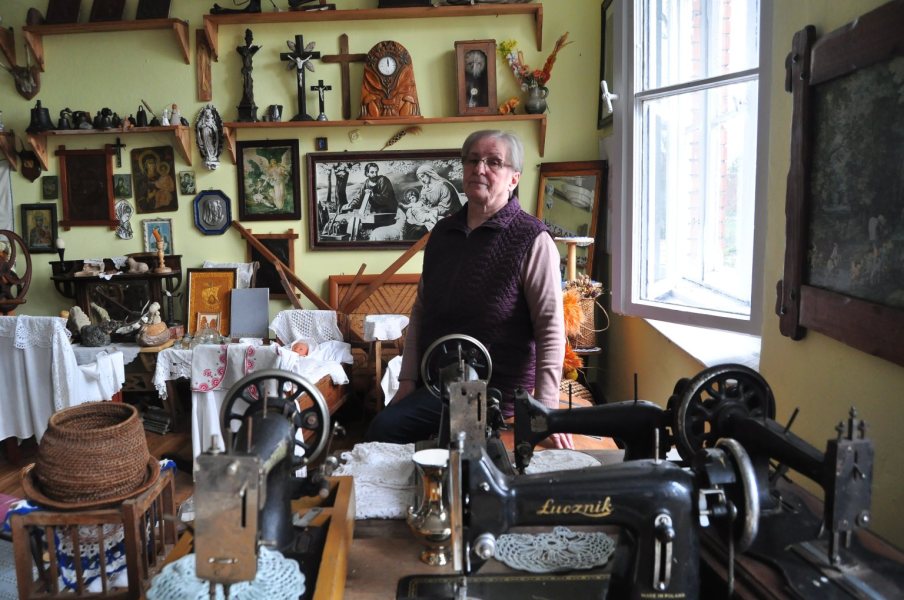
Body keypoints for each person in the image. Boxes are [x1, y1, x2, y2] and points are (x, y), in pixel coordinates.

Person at [366, 130, 572, 449]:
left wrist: (546, 408)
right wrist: (406, 381)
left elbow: (550, 327)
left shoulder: (533, 240)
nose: (480, 168)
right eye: (473, 160)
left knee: (465, 456)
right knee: (381, 433)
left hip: (497, 395)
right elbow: (421, 311)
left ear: (514, 178)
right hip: (439, 388)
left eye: (494, 162)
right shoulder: (442, 233)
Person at [336, 163, 398, 240]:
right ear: (367, 173)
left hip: (388, 212)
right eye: (372, 172)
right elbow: (358, 198)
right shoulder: (366, 183)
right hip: (375, 213)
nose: (375, 174)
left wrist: (373, 195)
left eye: (376, 172)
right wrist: (350, 206)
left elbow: (386, 198)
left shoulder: (383, 180)